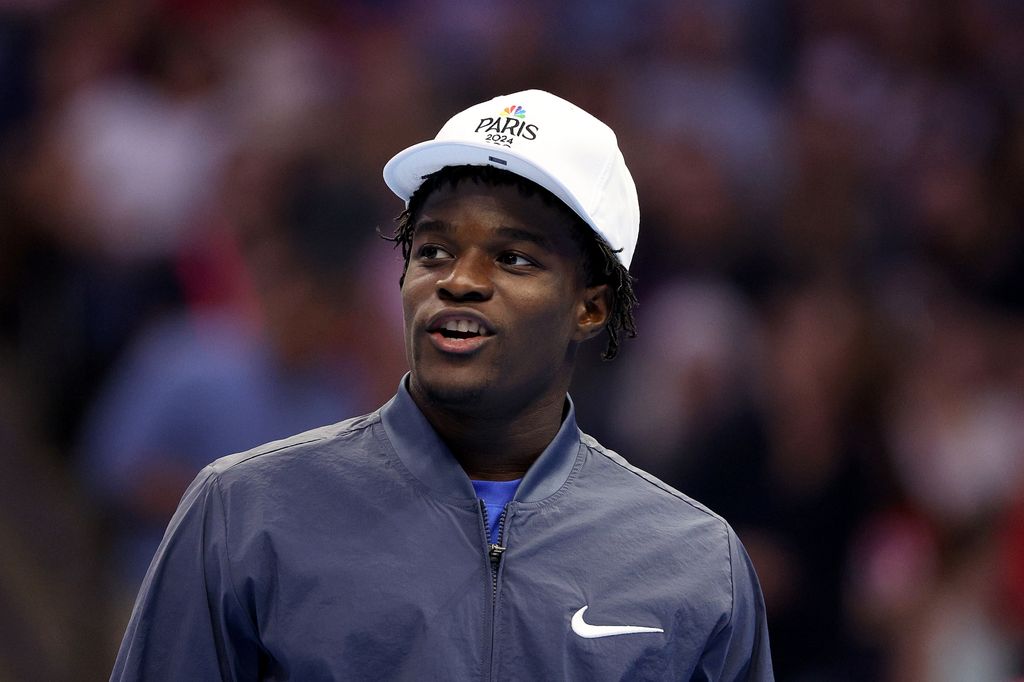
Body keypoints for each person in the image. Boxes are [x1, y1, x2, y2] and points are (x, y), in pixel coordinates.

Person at [110, 89, 773, 680]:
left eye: (512, 257)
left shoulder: (695, 563)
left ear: (591, 306)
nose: (458, 280)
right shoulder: (240, 513)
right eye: (433, 250)